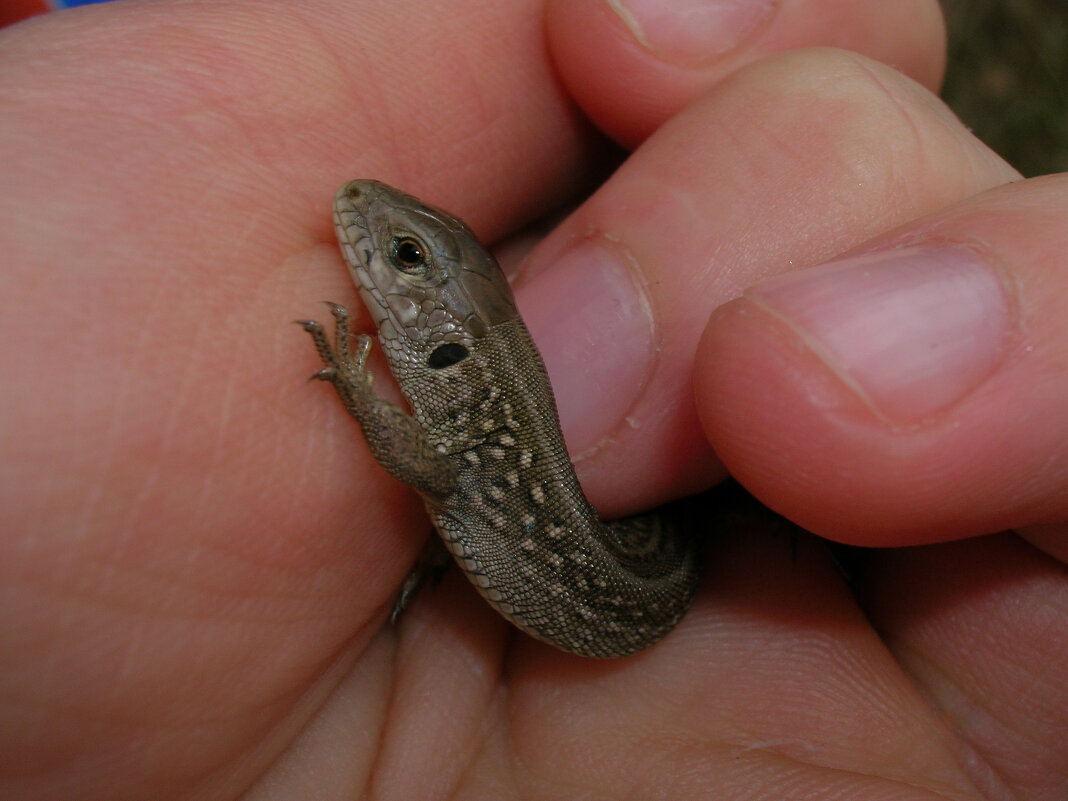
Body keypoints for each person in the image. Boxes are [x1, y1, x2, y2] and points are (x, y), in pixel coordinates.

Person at [1, 1, 1063, 799]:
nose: (371, 244)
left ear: (458, 347)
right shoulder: (464, 415)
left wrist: (359, 379)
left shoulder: (454, 429)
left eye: (405, 261)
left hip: (628, 610)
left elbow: (423, 465)